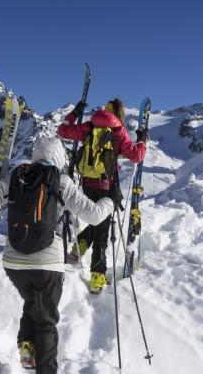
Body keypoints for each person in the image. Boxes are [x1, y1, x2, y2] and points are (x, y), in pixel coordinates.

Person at [0, 137, 114, 373]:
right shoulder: (61, 181)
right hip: (47, 263)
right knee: (46, 322)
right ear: (59, 157)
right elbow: (95, 216)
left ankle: (27, 347)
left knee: (33, 300)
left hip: (14, 263)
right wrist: (110, 200)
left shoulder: (16, 175)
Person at [57, 98, 148, 293]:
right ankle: (97, 277)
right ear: (119, 114)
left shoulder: (89, 126)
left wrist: (74, 114)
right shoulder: (118, 131)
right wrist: (142, 140)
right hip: (107, 188)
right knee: (102, 232)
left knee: (96, 220)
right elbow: (137, 155)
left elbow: (62, 131)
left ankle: (79, 247)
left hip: (87, 185)